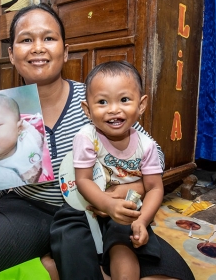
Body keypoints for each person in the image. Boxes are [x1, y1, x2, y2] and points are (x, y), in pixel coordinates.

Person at [0, 3, 194, 280]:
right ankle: (52, 261)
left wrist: (121, 193)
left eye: (48, 38)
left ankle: (54, 264)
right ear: (12, 55)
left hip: (98, 211)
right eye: (26, 40)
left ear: (65, 51)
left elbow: (148, 154)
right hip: (27, 211)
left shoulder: (98, 100)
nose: (38, 47)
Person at [69, 60, 165, 280]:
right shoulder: (86, 138)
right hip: (91, 206)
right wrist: (108, 204)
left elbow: (155, 189)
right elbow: (83, 181)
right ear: (87, 109)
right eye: (102, 101)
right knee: (70, 235)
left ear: (141, 105)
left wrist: (142, 220)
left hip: (128, 211)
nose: (114, 109)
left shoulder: (146, 145)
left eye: (124, 100)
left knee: (124, 237)